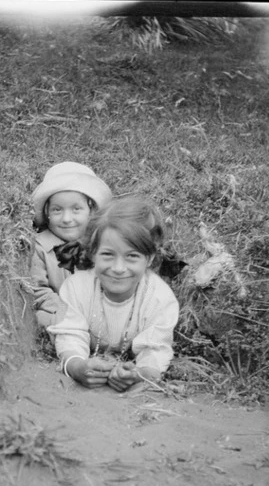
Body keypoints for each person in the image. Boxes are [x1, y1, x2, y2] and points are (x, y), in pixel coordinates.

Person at [48, 194, 180, 392]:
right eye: (108, 255)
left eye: (132, 256)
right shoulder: (77, 287)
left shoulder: (159, 299)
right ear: (93, 253)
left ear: (150, 258)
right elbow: (70, 335)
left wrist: (140, 374)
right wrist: (77, 367)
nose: (119, 268)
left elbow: (156, 350)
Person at [29, 162, 112, 328]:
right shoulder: (41, 246)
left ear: (91, 211)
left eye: (76, 209)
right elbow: (37, 289)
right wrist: (62, 309)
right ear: (47, 213)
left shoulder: (102, 243)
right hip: (61, 314)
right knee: (42, 318)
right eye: (57, 210)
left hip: (99, 312)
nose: (67, 219)